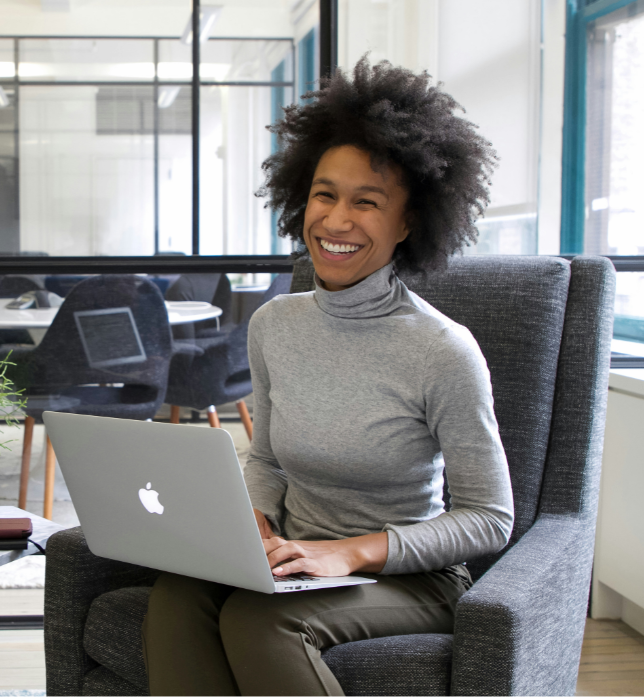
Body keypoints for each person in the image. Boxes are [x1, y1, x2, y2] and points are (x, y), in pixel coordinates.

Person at [142, 57, 514, 696]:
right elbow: (266, 459)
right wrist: (254, 517)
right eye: (324, 194)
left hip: (409, 577)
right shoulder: (275, 324)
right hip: (297, 557)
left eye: (367, 202)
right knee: (178, 597)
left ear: (409, 222)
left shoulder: (443, 350)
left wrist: (350, 552)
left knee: (261, 622)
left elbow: (488, 518)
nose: (336, 221)